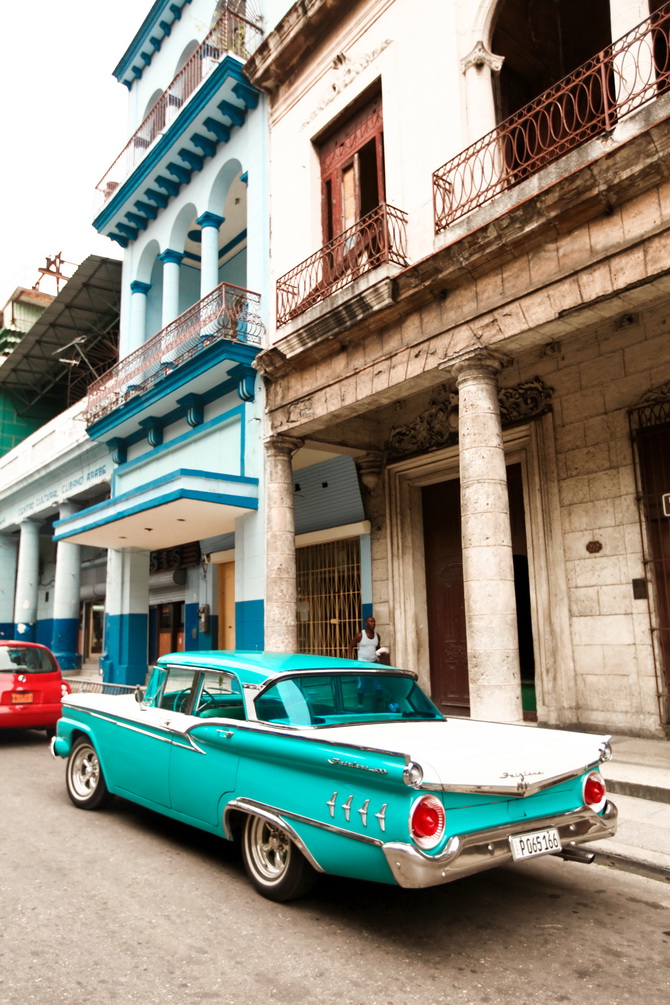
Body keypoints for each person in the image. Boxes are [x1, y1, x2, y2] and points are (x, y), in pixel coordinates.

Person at [349, 616, 382, 708]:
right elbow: (351, 646)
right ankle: (360, 703)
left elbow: (378, 649)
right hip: (362, 663)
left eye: (374, 622)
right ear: (366, 623)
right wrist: (349, 660)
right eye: (370, 622)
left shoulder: (377, 636)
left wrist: (381, 655)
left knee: (379, 684)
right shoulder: (360, 635)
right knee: (362, 685)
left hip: (374, 662)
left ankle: (377, 705)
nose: (372, 623)